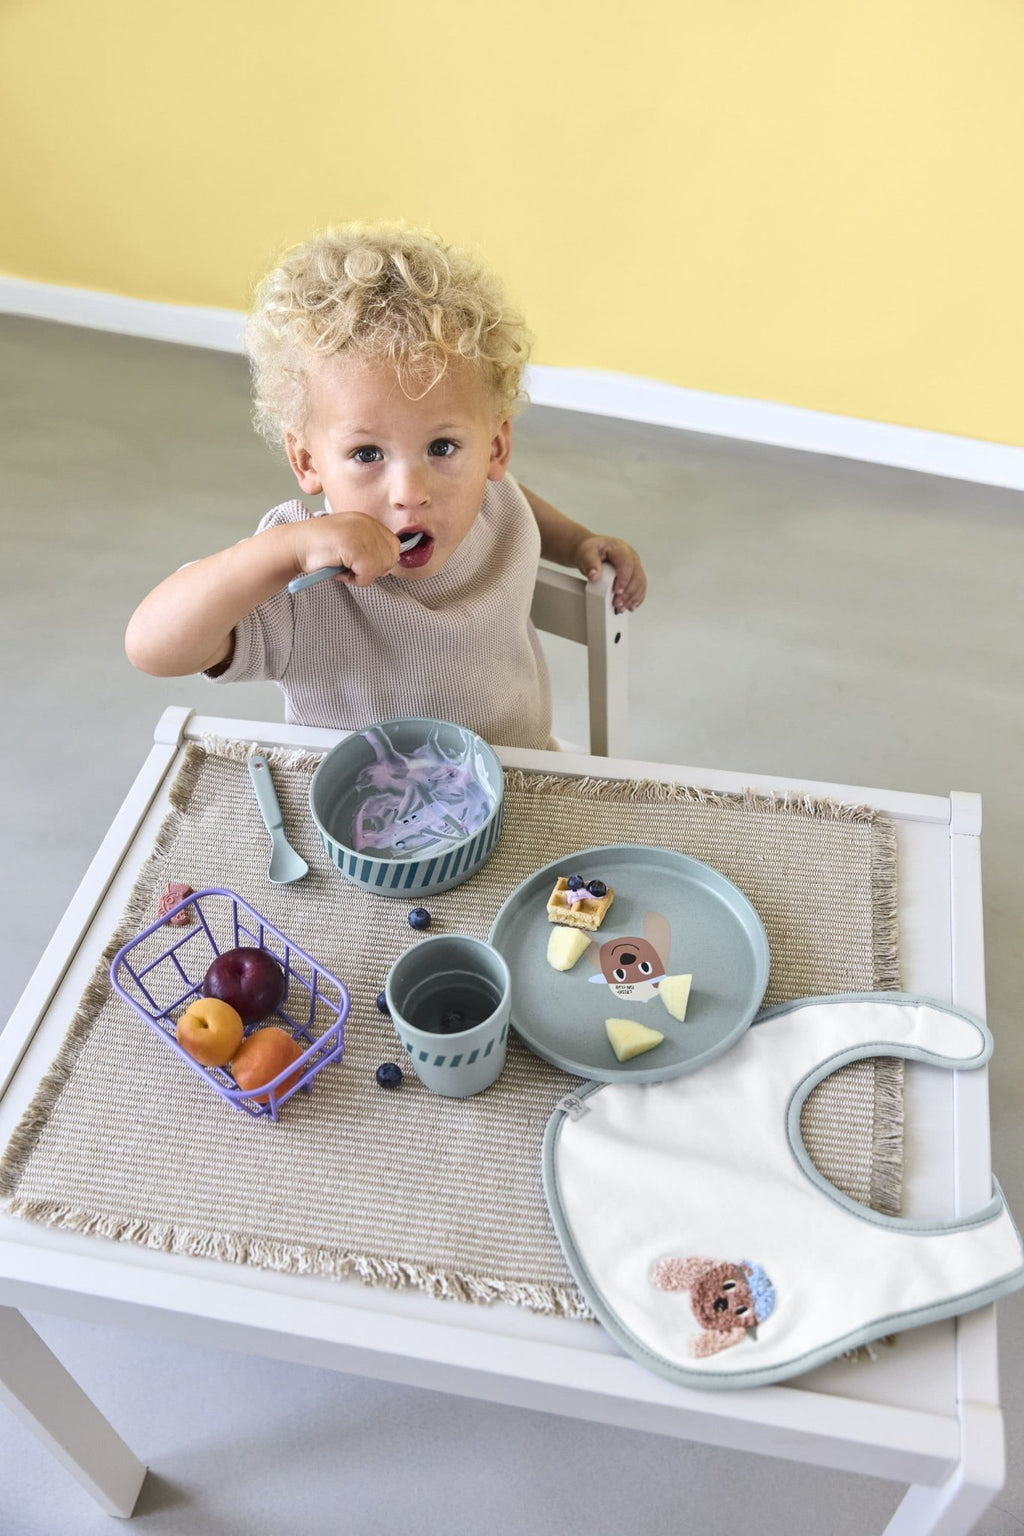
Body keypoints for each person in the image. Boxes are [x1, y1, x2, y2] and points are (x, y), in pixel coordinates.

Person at [125, 222, 647, 748]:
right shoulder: (303, 574)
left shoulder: (487, 501)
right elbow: (152, 648)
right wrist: (283, 552)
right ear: (307, 461)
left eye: (441, 448)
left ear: (495, 447)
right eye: (367, 454)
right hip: (363, 813)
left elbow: (515, 502)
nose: (409, 492)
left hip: (521, 777)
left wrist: (577, 541)